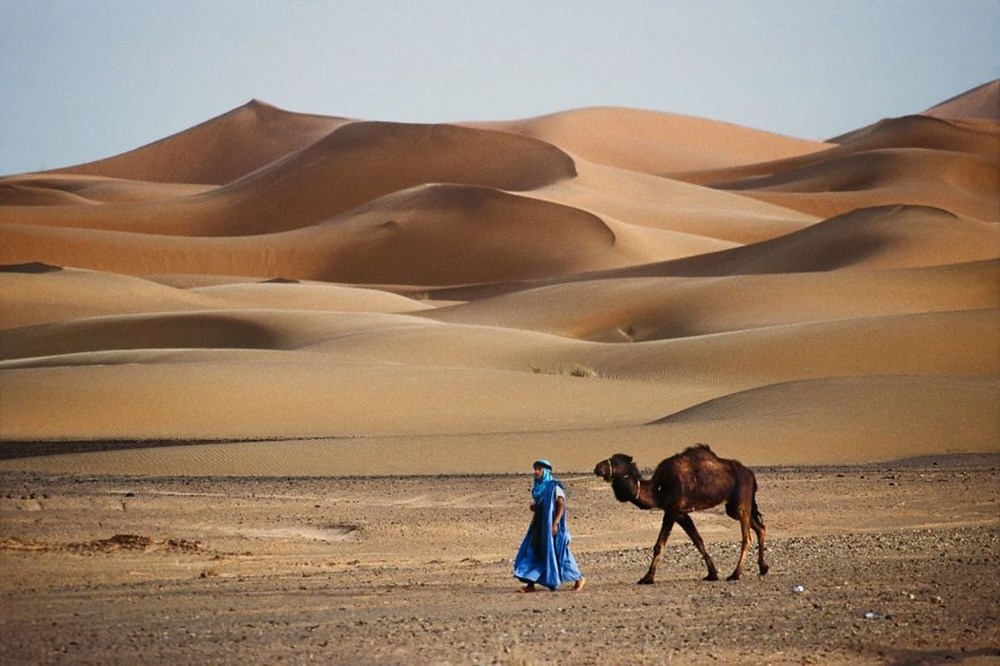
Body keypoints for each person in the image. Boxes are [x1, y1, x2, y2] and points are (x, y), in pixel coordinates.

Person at [513, 459, 585, 592]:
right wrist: (536, 506)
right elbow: (542, 503)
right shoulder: (538, 486)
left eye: (539, 469)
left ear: (546, 471)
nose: (536, 472)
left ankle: (578, 577)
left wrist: (555, 524)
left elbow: (560, 504)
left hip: (551, 524)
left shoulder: (554, 486)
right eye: (535, 469)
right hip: (539, 525)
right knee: (533, 551)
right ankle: (530, 584)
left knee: (559, 552)